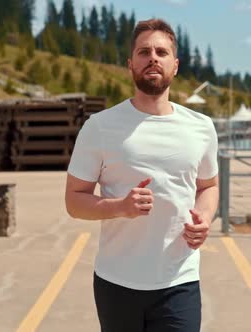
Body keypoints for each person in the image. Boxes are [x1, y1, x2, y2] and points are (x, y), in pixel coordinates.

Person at [65, 18, 219, 332]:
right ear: (131, 64)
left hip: (179, 280)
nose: (153, 57)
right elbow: (74, 201)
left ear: (174, 66)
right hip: (117, 281)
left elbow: (209, 186)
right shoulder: (99, 127)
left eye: (161, 52)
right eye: (144, 51)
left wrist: (204, 219)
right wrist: (119, 207)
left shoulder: (201, 127)